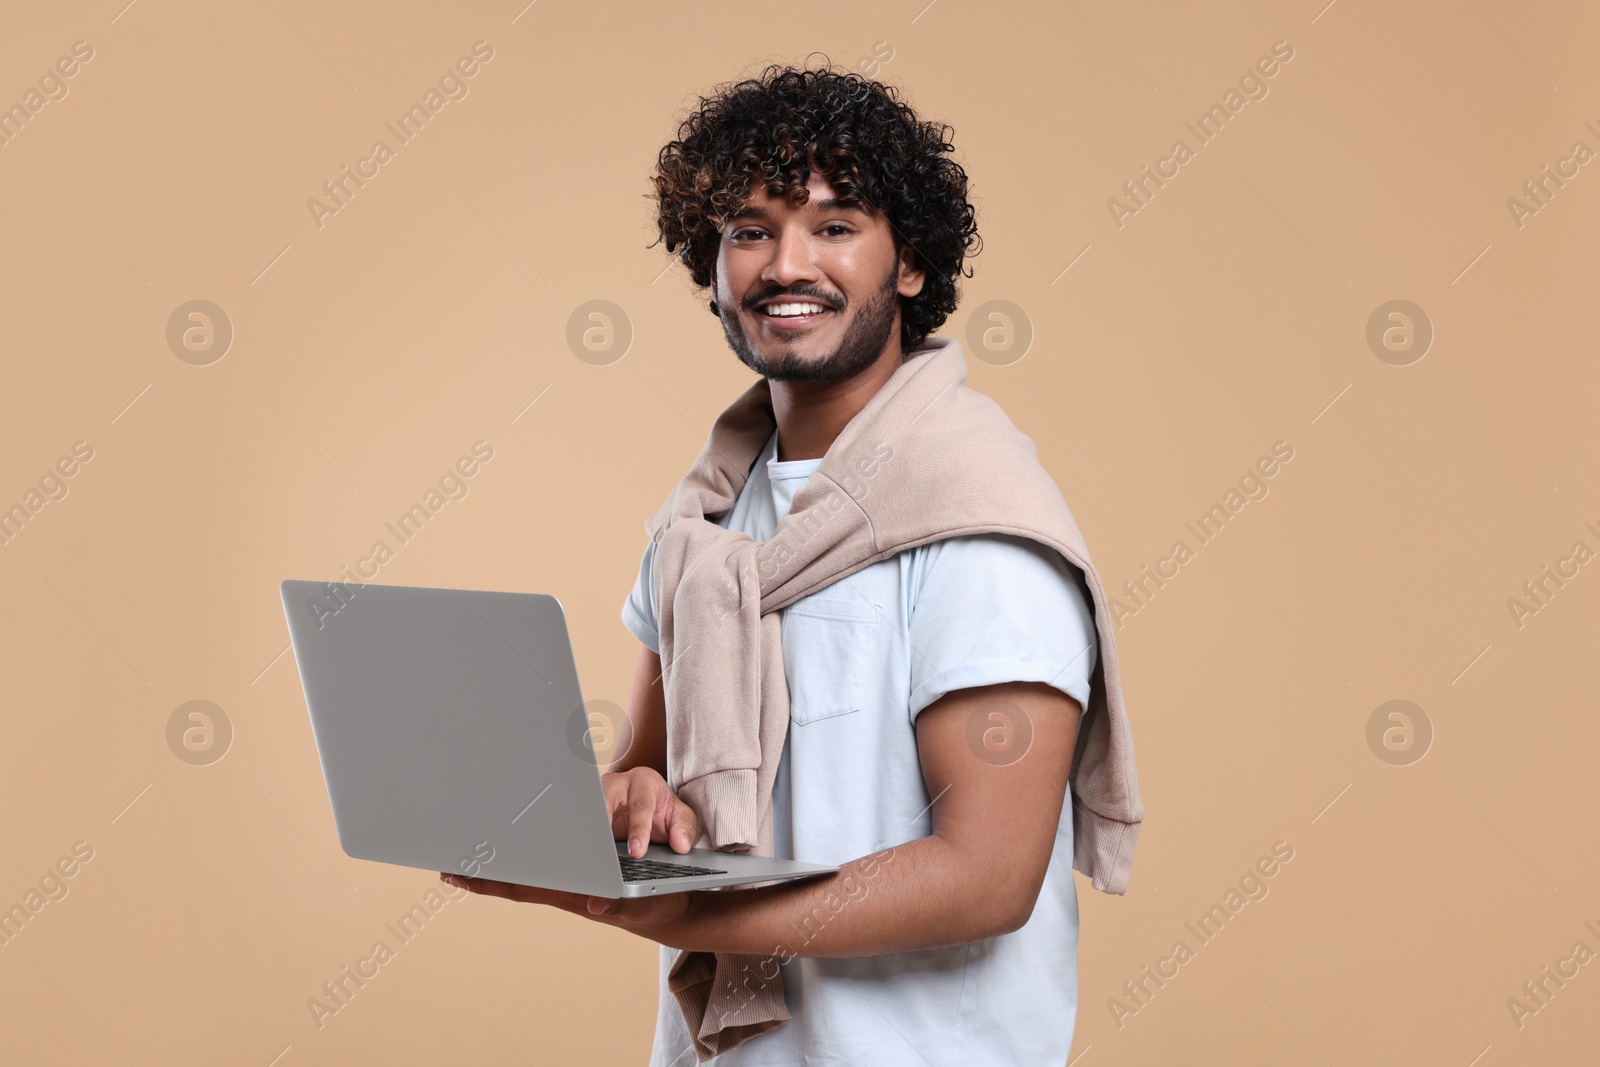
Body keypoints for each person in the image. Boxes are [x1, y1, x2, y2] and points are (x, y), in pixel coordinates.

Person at [444, 61, 1109, 1065]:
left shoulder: (978, 526)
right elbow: (645, 772)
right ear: (710, 265)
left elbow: (987, 875)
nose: (785, 264)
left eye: (835, 226)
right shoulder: (703, 526)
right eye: (749, 230)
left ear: (912, 264)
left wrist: (669, 916)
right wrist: (631, 805)